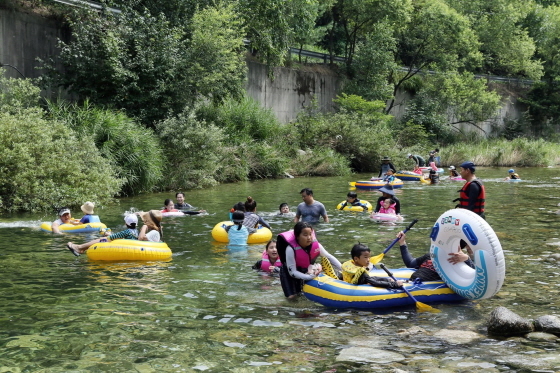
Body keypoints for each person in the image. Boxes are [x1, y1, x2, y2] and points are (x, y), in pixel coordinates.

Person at [277, 222, 341, 299]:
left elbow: (329, 257)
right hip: (289, 273)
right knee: (292, 298)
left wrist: (343, 269)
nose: (309, 237)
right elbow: (292, 272)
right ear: (297, 236)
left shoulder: (316, 245)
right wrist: (309, 277)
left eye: (310, 234)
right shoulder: (290, 249)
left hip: (306, 270)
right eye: (305, 235)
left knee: (303, 295)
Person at [397, 231, 474, 281]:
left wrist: (467, 259)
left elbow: (475, 277)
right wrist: (402, 243)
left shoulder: (458, 262)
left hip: (422, 287)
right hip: (412, 282)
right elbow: (411, 264)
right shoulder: (432, 255)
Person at [66, 214, 139, 256]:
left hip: (125, 248)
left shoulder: (126, 232)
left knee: (101, 239)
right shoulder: (136, 232)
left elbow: (111, 237)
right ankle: (82, 249)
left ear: (126, 224)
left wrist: (106, 234)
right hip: (130, 246)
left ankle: (79, 247)